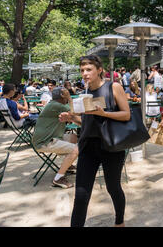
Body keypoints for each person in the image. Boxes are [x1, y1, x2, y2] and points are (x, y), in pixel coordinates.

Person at [59, 55, 130, 227]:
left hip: (111, 146)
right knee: (81, 194)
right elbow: (87, 122)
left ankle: (119, 222)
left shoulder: (113, 87)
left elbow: (126, 114)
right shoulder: (84, 93)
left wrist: (104, 114)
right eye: (82, 70)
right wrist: (71, 118)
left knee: (113, 188)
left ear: (99, 70)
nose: (84, 73)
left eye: (88, 69)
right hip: (88, 146)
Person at [32, 87, 79, 188]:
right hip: (45, 142)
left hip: (52, 137)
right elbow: (75, 112)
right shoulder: (56, 105)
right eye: (66, 93)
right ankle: (58, 178)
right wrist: (69, 97)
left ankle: (68, 165)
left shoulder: (54, 104)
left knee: (73, 137)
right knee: (77, 149)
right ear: (62, 96)